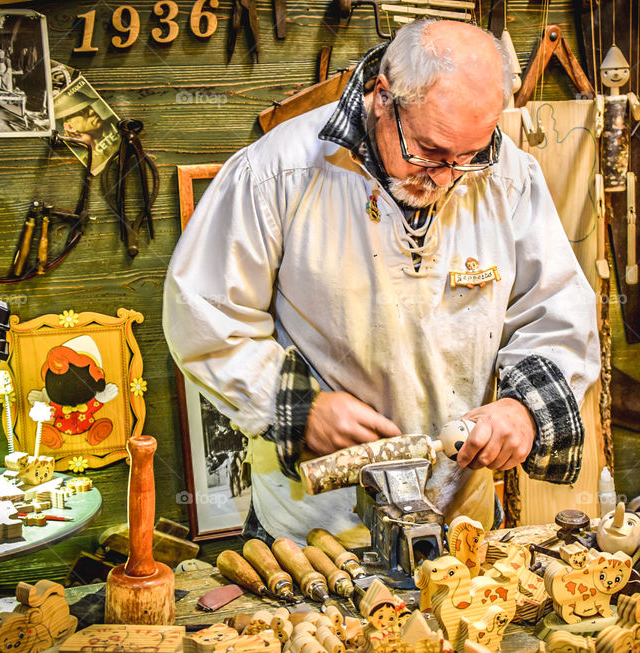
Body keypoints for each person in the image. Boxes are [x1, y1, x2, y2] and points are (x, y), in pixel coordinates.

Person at [164, 19, 600, 545]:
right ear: (383, 97)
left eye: (470, 156)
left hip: (461, 524)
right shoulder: (277, 173)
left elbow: (558, 311)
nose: (447, 176)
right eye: (429, 151)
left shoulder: (509, 175)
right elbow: (204, 315)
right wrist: (298, 410)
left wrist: (522, 410)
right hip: (314, 535)